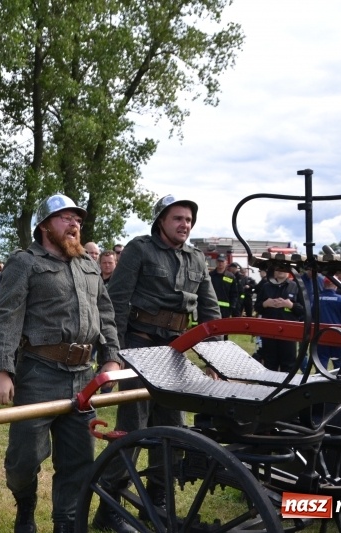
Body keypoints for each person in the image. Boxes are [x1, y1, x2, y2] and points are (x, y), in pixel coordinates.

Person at [0, 194, 121, 533]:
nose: (74, 223)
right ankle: (26, 509)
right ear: (45, 225)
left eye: (77, 218)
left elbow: (105, 315)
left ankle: (65, 522)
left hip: (84, 377)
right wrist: (2, 369)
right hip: (39, 374)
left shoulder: (88, 265)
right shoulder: (25, 262)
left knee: (79, 459)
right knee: (23, 460)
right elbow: (6, 317)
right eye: (65, 218)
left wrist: (111, 359)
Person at [94, 194, 221, 532]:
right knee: (133, 429)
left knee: (174, 431)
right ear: (161, 220)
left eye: (189, 220)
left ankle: (157, 503)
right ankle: (110, 506)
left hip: (175, 355)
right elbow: (116, 303)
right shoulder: (140, 249)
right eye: (178, 218)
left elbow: (210, 312)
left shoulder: (196, 259)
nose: (185, 225)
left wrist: (216, 357)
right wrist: (114, 355)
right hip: (139, 348)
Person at [254, 264, 305, 372]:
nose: (280, 271)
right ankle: (270, 387)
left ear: (288, 271)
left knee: (288, 363)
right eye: (277, 268)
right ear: (274, 271)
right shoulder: (266, 286)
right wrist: (265, 304)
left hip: (288, 333)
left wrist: (291, 305)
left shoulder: (296, 286)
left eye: (283, 268)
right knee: (270, 363)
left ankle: (287, 387)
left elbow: (304, 311)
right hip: (269, 331)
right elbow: (257, 307)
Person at [314, 277, 341, 369]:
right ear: (335, 285)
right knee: (338, 360)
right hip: (337, 334)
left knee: (322, 359)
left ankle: (320, 381)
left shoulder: (317, 298)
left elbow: (312, 313)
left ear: (324, 285)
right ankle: (338, 380)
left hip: (321, 333)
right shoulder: (340, 299)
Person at [209, 254, 238, 319]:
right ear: (216, 262)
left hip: (226, 310)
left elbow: (234, 293)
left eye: (222, 261)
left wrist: (232, 307)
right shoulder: (210, 276)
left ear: (226, 263)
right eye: (219, 261)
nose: (220, 263)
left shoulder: (230, 277)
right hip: (211, 307)